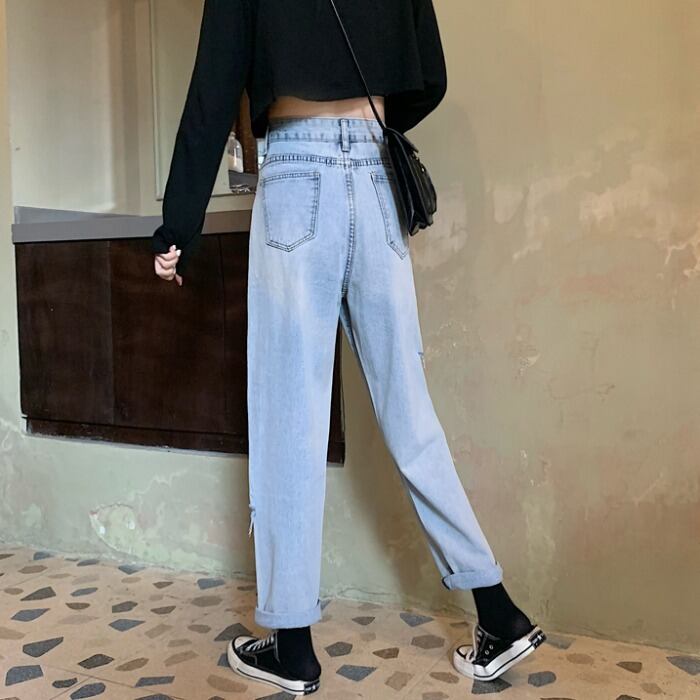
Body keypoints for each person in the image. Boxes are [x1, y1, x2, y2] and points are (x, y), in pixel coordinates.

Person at [151, 0, 546, 695]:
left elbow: (214, 87)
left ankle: (293, 647)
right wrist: (362, 128)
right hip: (375, 174)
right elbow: (430, 74)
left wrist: (177, 225)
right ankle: (498, 611)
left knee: (289, 419)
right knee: (409, 409)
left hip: (296, 172)